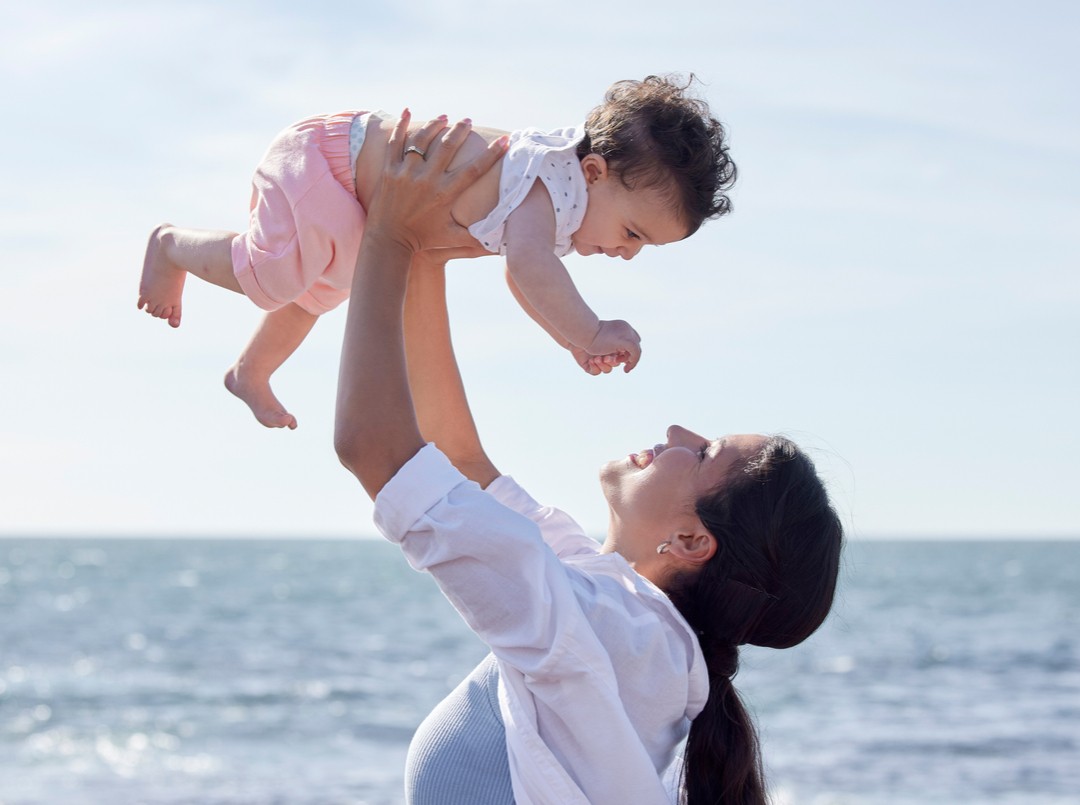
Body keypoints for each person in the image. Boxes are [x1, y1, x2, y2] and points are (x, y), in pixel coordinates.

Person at [334, 114, 843, 804]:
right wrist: (424, 252)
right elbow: (457, 458)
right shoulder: (618, 615)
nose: (675, 429)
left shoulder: (616, 632)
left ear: (692, 540)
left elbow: (375, 451)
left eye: (702, 452)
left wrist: (389, 238)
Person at [137, 75, 736, 430]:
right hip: (328, 159)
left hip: (363, 199)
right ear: (594, 171)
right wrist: (592, 327)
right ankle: (171, 247)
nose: (627, 254)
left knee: (322, 288)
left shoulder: (560, 204)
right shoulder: (548, 183)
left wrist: (573, 339)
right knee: (274, 275)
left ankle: (251, 372)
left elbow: (524, 277)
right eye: (633, 233)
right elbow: (530, 268)